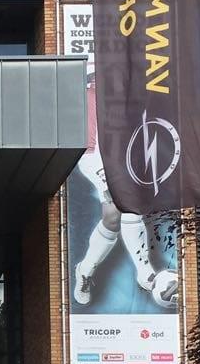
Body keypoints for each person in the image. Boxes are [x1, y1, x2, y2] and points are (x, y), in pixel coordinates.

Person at [72, 83, 177, 310]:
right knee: (122, 206)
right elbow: (86, 149)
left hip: (124, 162)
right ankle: (144, 272)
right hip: (95, 159)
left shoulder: (141, 98)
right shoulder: (93, 94)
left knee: (112, 217)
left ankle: (85, 270)